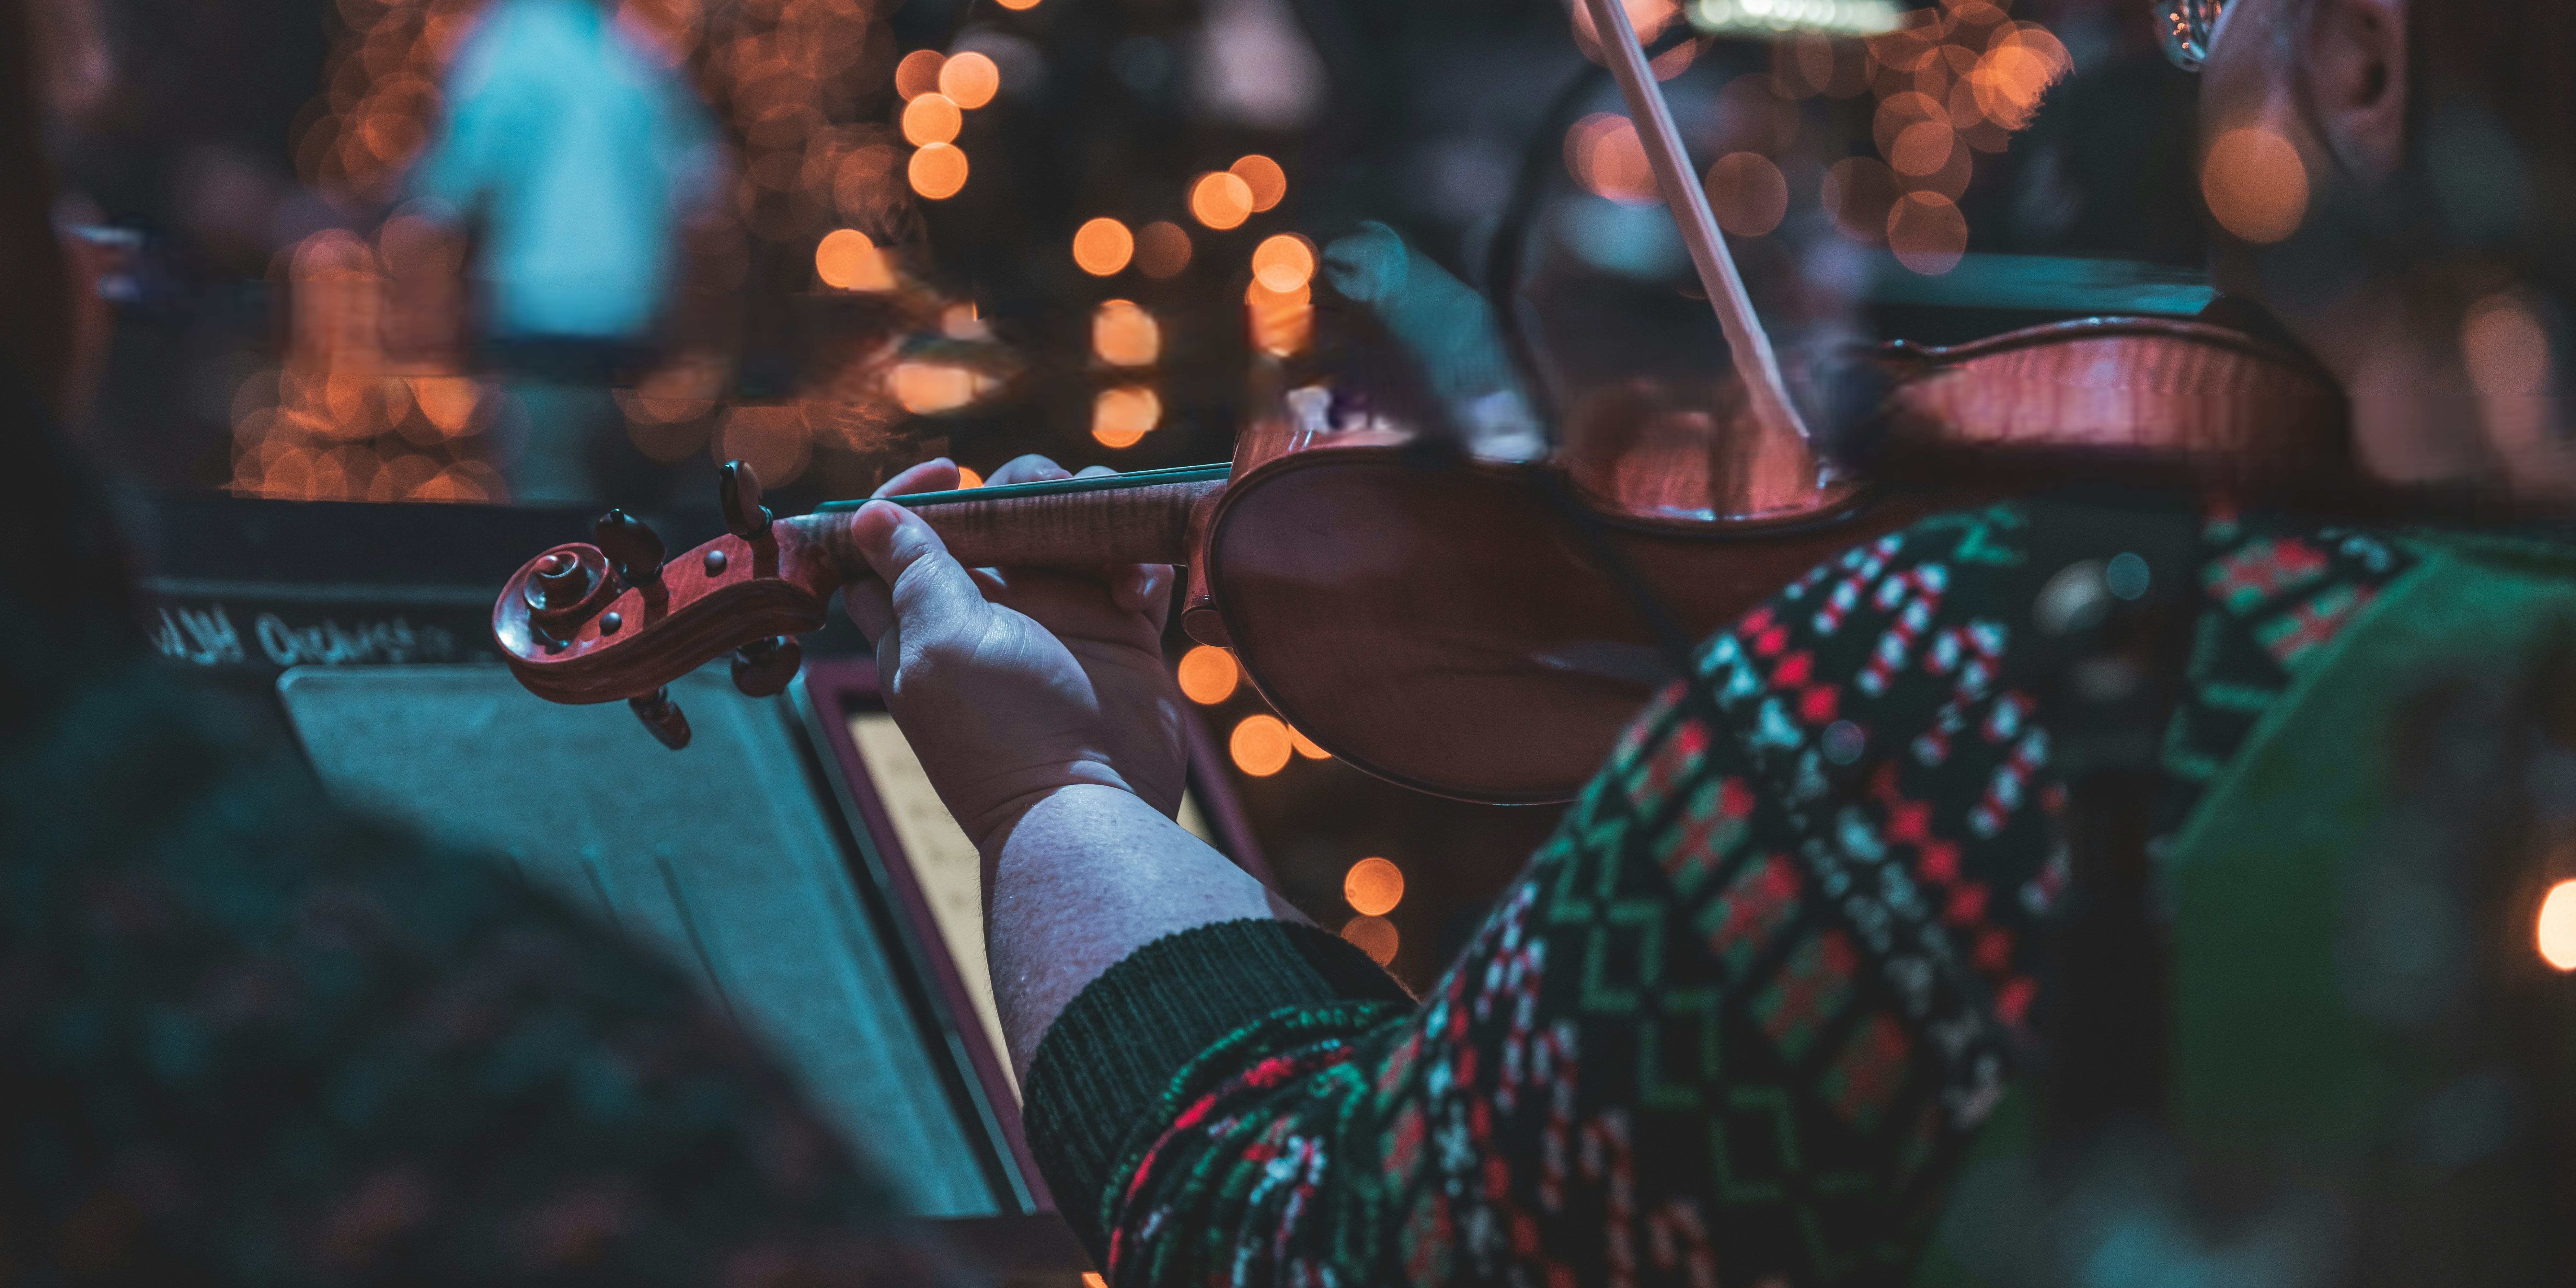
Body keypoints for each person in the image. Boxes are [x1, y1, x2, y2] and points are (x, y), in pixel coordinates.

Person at [845, 0, 2576, 1283]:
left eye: (2216, 17)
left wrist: (1056, 789)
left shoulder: (2014, 681)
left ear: (2367, 57)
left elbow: (1293, 1238)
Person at [0, 4, 953, 1282]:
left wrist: (339, 229)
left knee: (537, 534)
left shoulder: (507, 51)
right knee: (625, 540)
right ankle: (633, 702)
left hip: (546, 335)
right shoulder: (629, 59)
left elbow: (446, 188)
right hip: (634, 344)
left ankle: (567, 704)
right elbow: (696, 192)